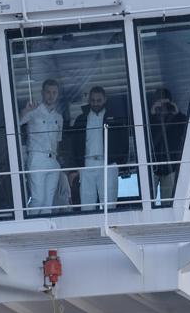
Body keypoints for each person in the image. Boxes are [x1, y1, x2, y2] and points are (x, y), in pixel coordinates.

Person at [65, 86, 129, 210]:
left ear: (105, 100)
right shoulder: (81, 119)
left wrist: (119, 162)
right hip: (87, 164)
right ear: (89, 100)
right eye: (93, 100)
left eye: (98, 100)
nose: (95, 103)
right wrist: (75, 166)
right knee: (87, 204)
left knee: (109, 203)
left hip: (108, 163)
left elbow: (123, 140)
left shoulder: (114, 117)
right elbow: (73, 145)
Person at [19, 79, 65, 214]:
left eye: (54, 92)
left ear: (58, 94)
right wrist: (25, 110)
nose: (51, 95)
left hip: (53, 159)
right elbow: (17, 122)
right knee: (37, 199)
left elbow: (59, 141)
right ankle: (26, 229)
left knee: (48, 203)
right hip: (37, 157)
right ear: (42, 93)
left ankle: (42, 233)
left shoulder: (59, 117)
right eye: (48, 92)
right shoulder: (34, 110)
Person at [147, 87, 187, 206]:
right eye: (159, 102)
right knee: (146, 203)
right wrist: (152, 114)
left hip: (171, 169)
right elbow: (143, 133)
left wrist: (177, 113)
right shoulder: (149, 120)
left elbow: (187, 131)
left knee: (169, 205)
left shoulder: (177, 119)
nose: (163, 107)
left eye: (165, 103)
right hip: (152, 168)